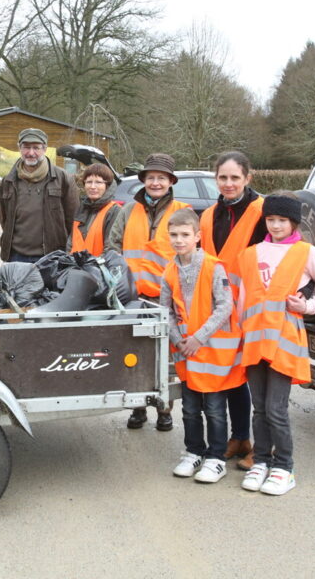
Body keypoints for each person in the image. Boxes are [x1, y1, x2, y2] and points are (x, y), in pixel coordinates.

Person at [235, 192, 315, 495]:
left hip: (283, 342)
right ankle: (261, 461)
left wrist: (307, 307)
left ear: (293, 223)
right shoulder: (252, 253)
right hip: (253, 341)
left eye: (282, 220)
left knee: (275, 408)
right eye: (271, 219)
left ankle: (284, 467)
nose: (276, 225)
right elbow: (242, 299)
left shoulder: (306, 252)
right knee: (259, 409)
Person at [108, 153, 191, 431]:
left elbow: (191, 255)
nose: (156, 182)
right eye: (151, 177)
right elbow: (112, 246)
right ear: (143, 180)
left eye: (161, 178)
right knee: (134, 356)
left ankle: (165, 409)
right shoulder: (128, 210)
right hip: (132, 297)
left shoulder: (181, 210)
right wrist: (119, 282)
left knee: (166, 359)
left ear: (170, 181)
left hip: (166, 299)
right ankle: (137, 408)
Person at [161, 208, 244, 483]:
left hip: (212, 354)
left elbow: (224, 306)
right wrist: (178, 339)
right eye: (173, 235)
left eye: (185, 235)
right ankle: (193, 451)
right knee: (189, 408)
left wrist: (199, 337)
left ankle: (216, 457)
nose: (178, 240)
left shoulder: (213, 266)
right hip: (186, 353)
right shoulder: (170, 270)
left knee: (215, 410)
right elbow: (167, 311)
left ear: (197, 236)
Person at [200, 151, 268, 470]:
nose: (228, 183)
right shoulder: (208, 215)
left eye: (234, 178)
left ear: (247, 178)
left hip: (254, 308)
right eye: (223, 178)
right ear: (216, 179)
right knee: (232, 376)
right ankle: (240, 437)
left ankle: (264, 448)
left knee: (259, 379)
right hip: (219, 309)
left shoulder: (263, 212)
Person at [0, 128, 78, 263]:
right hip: (16, 256)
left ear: (45, 149)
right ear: (19, 148)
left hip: (52, 256)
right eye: (26, 147)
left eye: (36, 147)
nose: (31, 153)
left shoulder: (62, 178)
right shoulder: (8, 180)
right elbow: (4, 218)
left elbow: (73, 218)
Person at [68, 163, 122, 256]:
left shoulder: (114, 211)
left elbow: (111, 249)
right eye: (89, 182)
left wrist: (92, 267)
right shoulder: (81, 208)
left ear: (107, 186)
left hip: (99, 268)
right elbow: (70, 244)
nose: (92, 187)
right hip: (75, 268)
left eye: (98, 182)